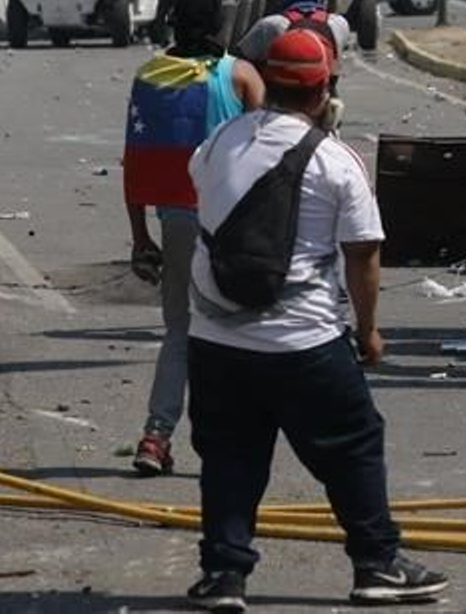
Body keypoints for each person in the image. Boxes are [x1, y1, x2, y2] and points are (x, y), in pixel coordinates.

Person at [184, 30, 448, 609]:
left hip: (215, 340)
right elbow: (363, 255)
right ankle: (377, 563)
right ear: (324, 89)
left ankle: (224, 576)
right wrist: (369, 330)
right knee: (353, 445)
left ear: (267, 80)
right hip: (303, 342)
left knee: (229, 454)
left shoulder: (218, 142)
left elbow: (204, 195)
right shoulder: (335, 160)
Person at [122, 0, 265, 478]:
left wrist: (141, 237)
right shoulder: (241, 76)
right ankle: (231, 442)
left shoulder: (149, 75)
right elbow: (268, 153)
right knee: (240, 332)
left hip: (176, 222)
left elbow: (134, 163)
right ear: (220, 20)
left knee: (179, 332)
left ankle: (156, 436)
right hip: (230, 226)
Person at [238, 0, 351, 130]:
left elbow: (239, 62)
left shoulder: (271, 25)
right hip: (324, 118)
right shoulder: (339, 25)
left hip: (275, 120)